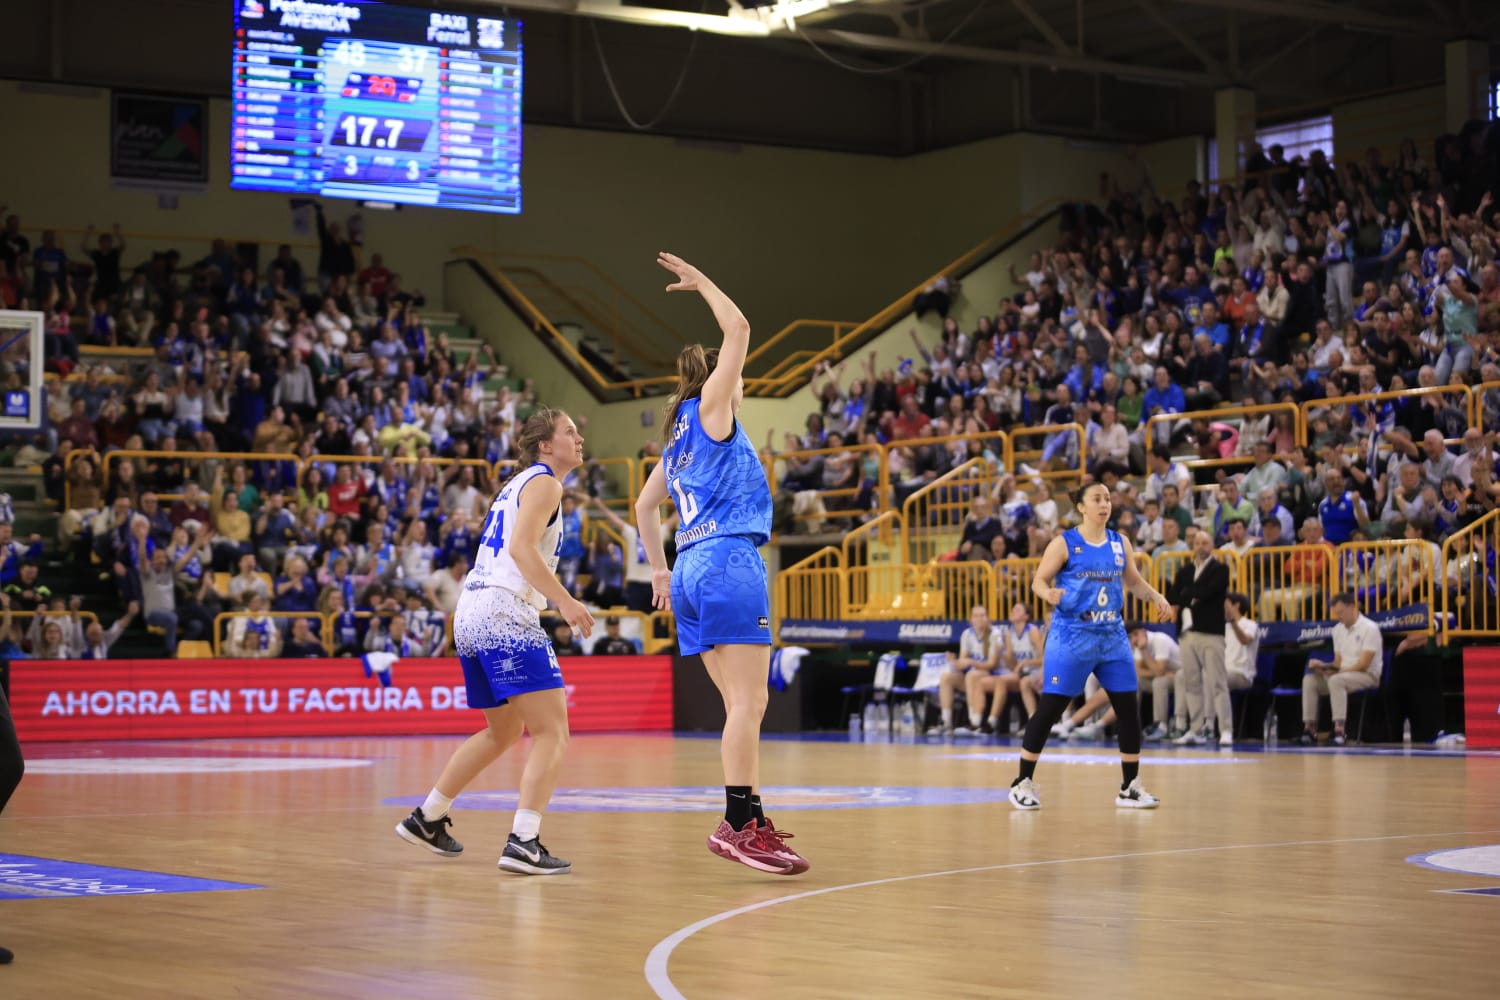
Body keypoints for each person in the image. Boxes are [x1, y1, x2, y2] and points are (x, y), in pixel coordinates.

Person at [633, 252, 808, 875]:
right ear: (720, 380)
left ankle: (752, 819)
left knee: (741, 704)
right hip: (728, 560)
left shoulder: (675, 439)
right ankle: (736, 825)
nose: (742, 384)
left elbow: (644, 506)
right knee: (750, 704)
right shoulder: (712, 408)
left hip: (687, 568)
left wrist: (658, 570)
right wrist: (704, 283)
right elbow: (739, 328)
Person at [397, 408, 594, 876]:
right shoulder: (545, 483)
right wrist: (565, 601)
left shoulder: (517, 484)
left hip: (472, 611)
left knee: (503, 731)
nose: (579, 438)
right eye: (570, 431)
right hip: (504, 612)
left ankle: (428, 817)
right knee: (552, 732)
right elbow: (521, 548)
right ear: (545, 445)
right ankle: (524, 841)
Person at [1007, 481, 1173, 811]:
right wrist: (1047, 593)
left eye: (1107, 499)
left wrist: (1156, 596)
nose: (1104, 504)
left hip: (1111, 636)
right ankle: (1021, 782)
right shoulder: (1064, 543)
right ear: (1081, 507)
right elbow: (1038, 580)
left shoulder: (1120, 542)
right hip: (1072, 636)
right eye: (1097, 499)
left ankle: (1129, 786)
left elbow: (1133, 581)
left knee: (1128, 708)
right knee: (1051, 708)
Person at [1168, 529, 1231, 745]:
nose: (1201, 546)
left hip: (1211, 632)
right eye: (1197, 543)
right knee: (1191, 682)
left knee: (1217, 682)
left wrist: (1188, 593)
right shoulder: (1184, 571)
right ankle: (1195, 729)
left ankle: (1225, 729)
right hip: (1187, 633)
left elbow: (1211, 591)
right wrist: (1192, 594)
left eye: (1205, 542)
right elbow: (1173, 595)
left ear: (1212, 545)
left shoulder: (1220, 569)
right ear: (1192, 546)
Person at [1298, 592, 1383, 747]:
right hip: (1344, 675)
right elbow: (1337, 663)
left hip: (1367, 675)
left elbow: (1364, 664)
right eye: (1336, 613)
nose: (1339, 617)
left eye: (1341, 612)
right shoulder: (1337, 629)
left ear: (1352, 607)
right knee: (1310, 680)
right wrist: (1323, 666)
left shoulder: (1370, 628)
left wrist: (1338, 673)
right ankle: (1309, 729)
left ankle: (1339, 731)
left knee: (1336, 680)